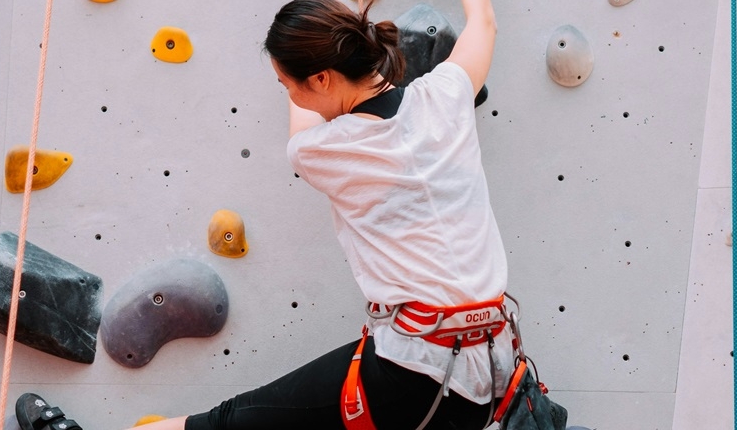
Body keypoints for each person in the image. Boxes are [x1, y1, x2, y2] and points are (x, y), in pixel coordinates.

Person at [131, 0, 508, 428]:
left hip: (417, 373)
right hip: (490, 367)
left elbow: (307, 114)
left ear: (322, 78)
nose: (289, 95)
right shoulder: (446, 96)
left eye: (285, 84)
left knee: (220, 424)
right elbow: (484, 20)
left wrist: (348, 7)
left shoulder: (322, 150)